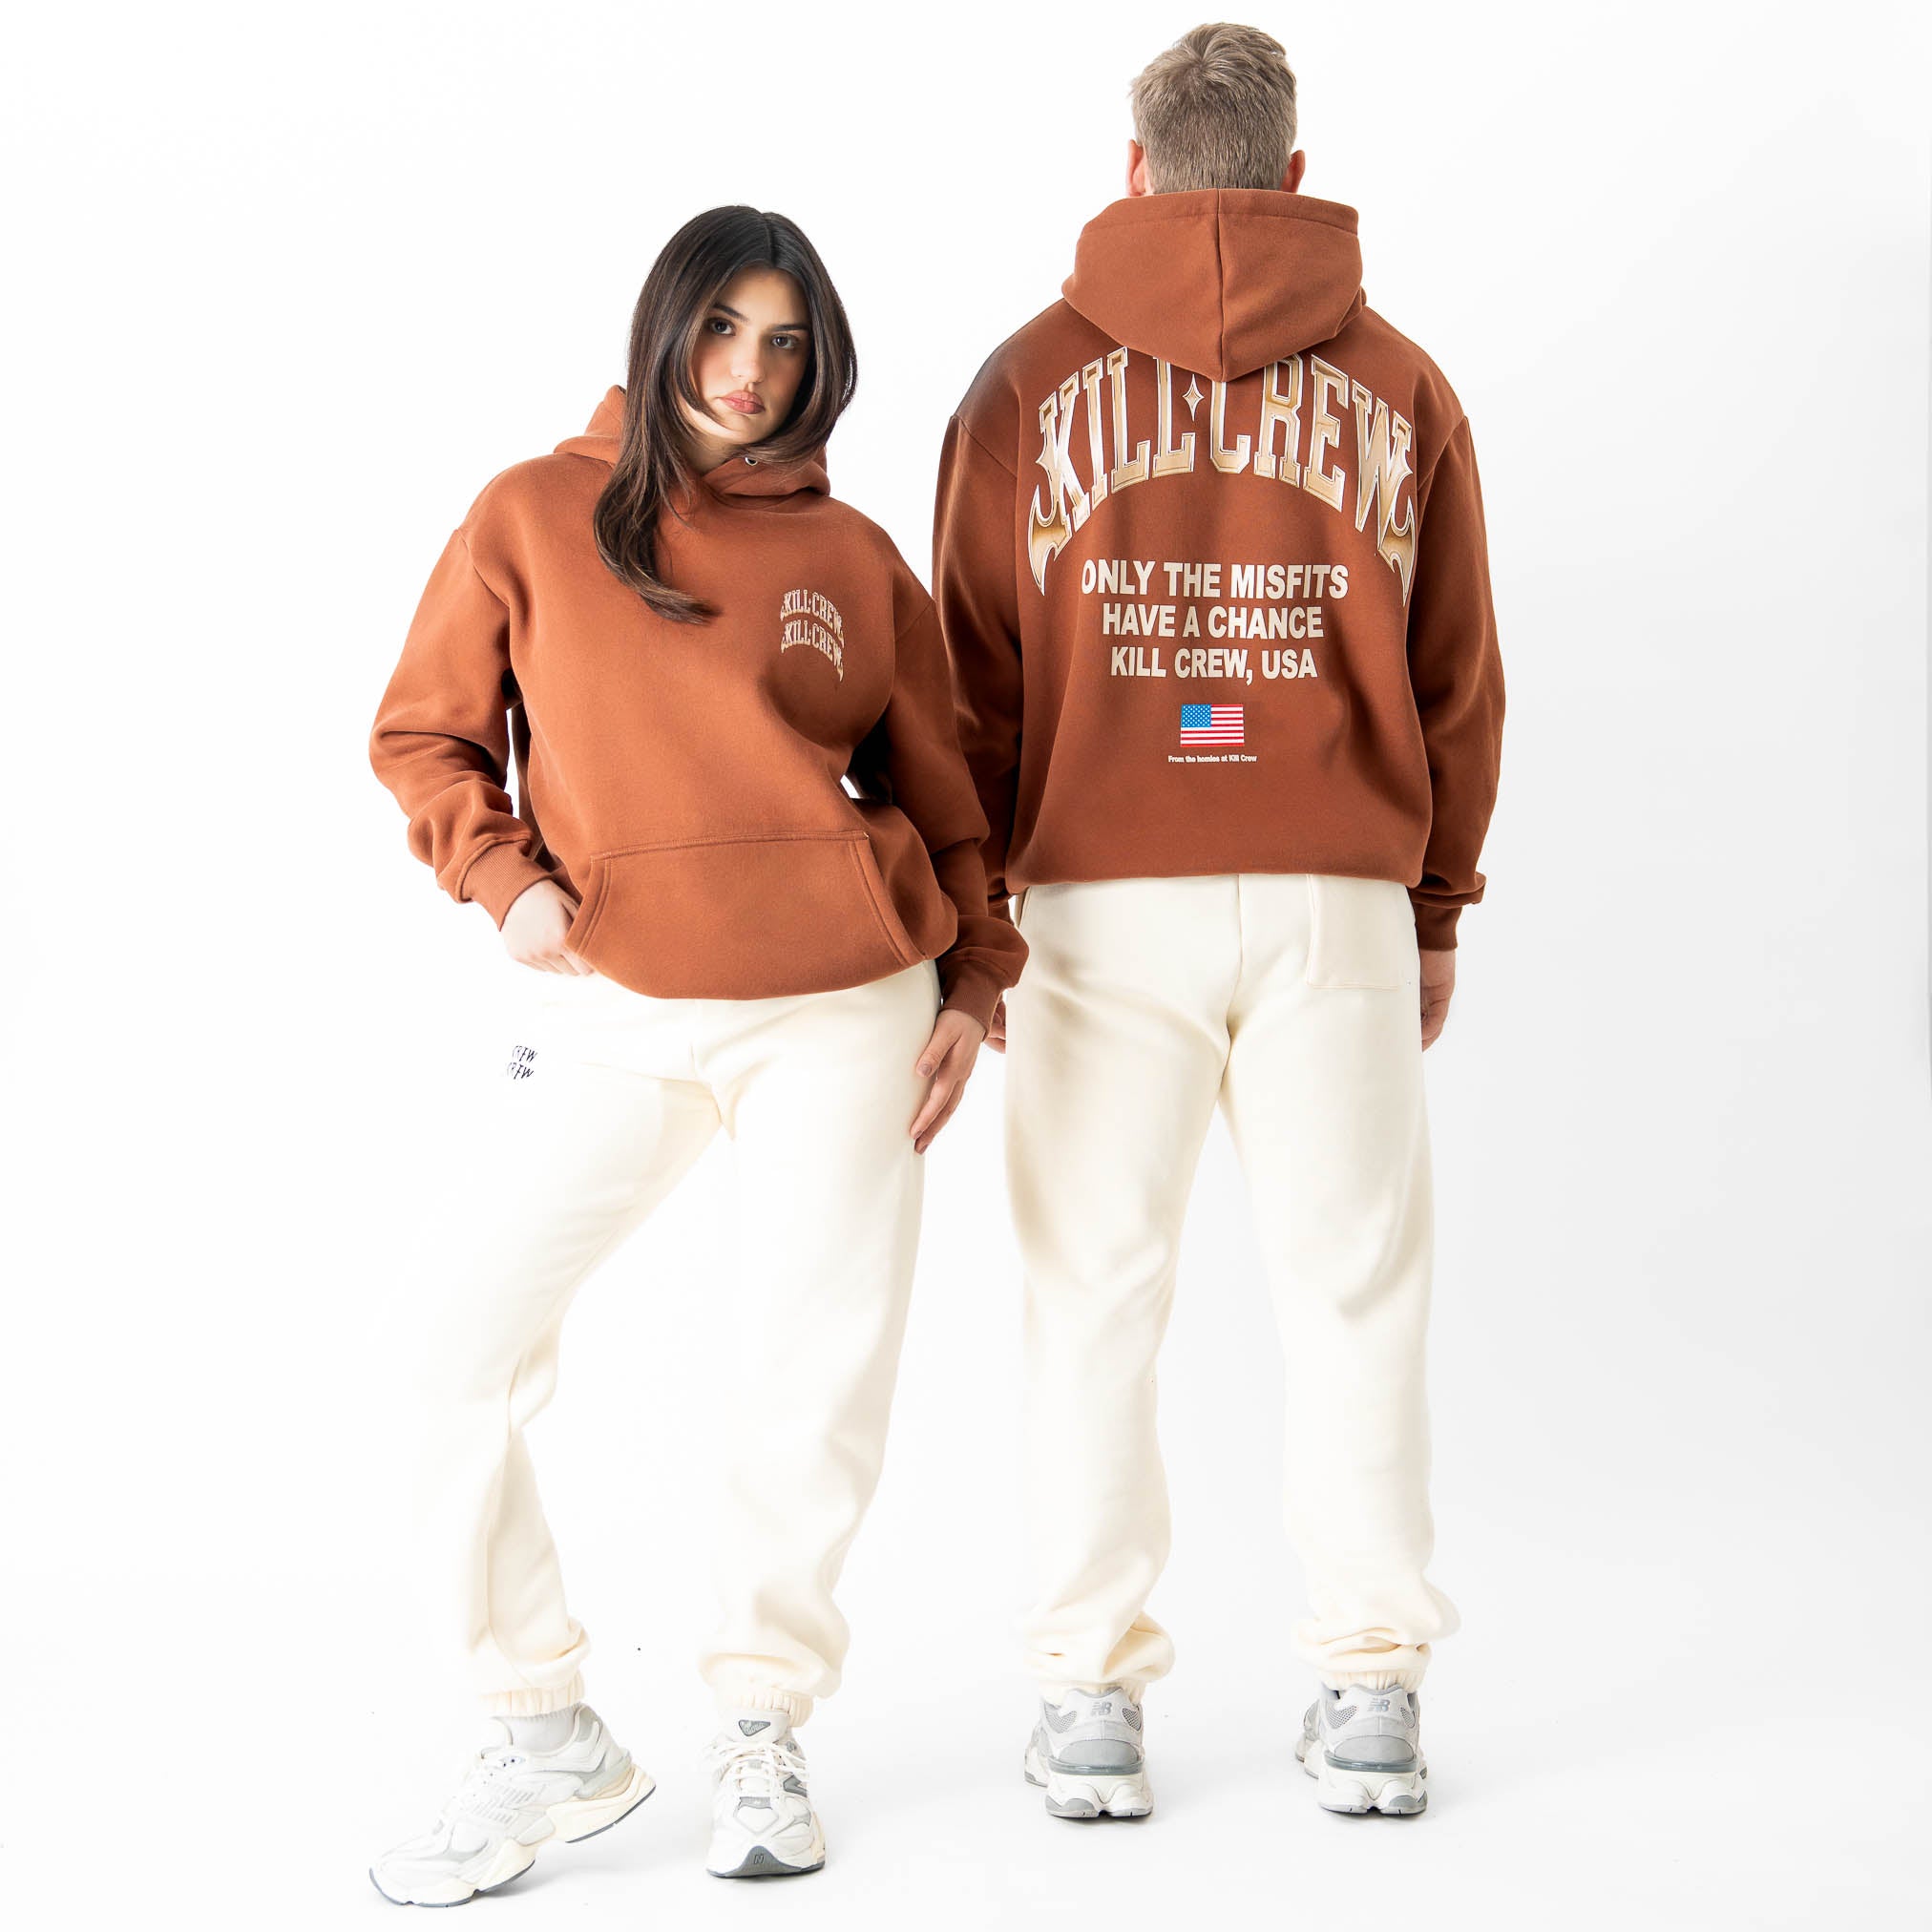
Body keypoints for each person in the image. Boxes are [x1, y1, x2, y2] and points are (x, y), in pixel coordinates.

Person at [365, 204, 1025, 1901]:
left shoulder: (853, 557)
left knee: (812, 1372)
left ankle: (761, 1724)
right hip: (615, 1004)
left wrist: (975, 984)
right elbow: (425, 734)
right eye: (723, 328)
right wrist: (501, 878)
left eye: (786, 341)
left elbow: (946, 795)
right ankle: (543, 1733)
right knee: (453, 1349)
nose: (749, 371)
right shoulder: (531, 513)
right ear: (667, 328)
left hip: (842, 1007)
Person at [934, 23, 1503, 1820]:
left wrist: (979, 916)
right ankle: (1372, 1692)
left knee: (1093, 1298)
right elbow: (1456, 679)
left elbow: (968, 678)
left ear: (1135, 171)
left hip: (1102, 897)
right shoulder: (1402, 384)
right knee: (1355, 1292)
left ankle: (1089, 1700)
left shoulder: (1025, 383)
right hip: (1336, 891)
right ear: (1292, 175)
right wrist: (1434, 909)